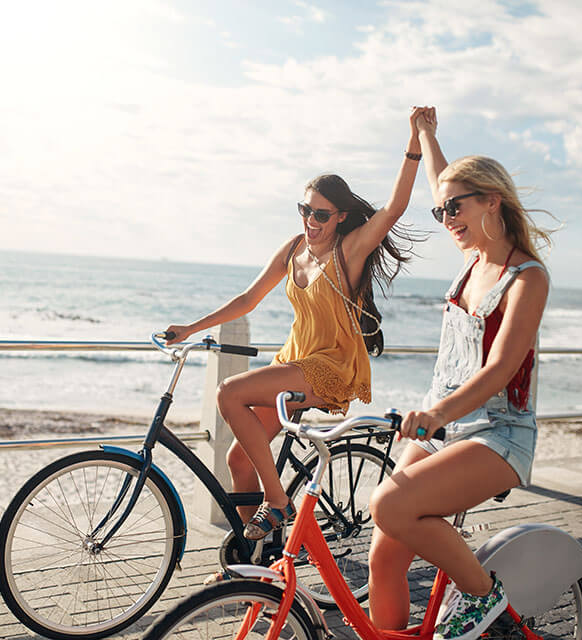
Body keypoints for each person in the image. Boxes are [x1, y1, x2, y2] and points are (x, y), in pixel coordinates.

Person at [165, 108, 426, 541]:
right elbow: (249, 299)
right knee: (238, 461)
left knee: (229, 392)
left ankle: (278, 503)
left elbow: (395, 208)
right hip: (295, 362)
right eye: (305, 209)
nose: (311, 221)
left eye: (322, 214)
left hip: (331, 367)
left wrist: (415, 140)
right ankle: (256, 559)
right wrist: (191, 328)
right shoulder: (293, 249)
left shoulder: (351, 250)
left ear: (341, 216)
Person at [367, 107, 553, 640]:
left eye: (456, 208)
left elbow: (501, 368)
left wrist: (438, 413)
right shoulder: (472, 257)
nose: (446, 218)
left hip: (497, 435)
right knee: (384, 555)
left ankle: (483, 595)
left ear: (492, 200)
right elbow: (442, 182)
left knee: (389, 503)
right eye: (440, 211)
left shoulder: (526, 278)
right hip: (444, 426)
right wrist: (425, 133)